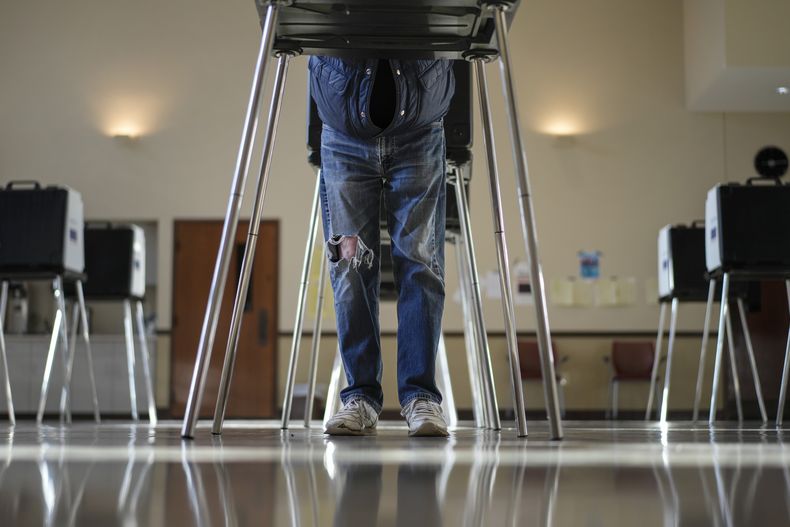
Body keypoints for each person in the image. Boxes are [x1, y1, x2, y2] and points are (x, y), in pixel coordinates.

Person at [309, 55, 455, 436]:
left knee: (421, 263)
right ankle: (359, 397)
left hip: (420, 126)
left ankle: (421, 397)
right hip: (344, 130)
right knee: (349, 269)